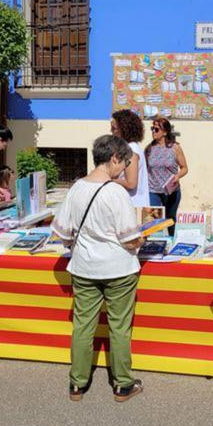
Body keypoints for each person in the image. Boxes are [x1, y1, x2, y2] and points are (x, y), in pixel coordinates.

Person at [51, 135, 146, 403]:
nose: (124, 168)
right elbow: (129, 239)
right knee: (119, 327)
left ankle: (77, 383)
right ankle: (122, 384)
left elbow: (62, 232)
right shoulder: (116, 192)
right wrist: (142, 239)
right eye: (125, 163)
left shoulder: (76, 188)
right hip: (118, 269)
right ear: (114, 158)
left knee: (82, 325)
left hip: (83, 267)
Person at [145, 116, 188, 235]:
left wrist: (177, 176)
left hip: (171, 190)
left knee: (170, 219)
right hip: (153, 190)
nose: (153, 131)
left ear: (165, 132)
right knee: (153, 219)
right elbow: (145, 170)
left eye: (156, 129)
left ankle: (171, 241)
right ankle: (154, 246)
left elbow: (184, 168)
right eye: (152, 129)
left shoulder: (175, 148)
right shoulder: (149, 149)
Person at [110, 110, 149, 207]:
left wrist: (108, 180)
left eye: (114, 128)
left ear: (124, 129)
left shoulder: (131, 150)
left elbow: (131, 183)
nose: (111, 131)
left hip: (132, 205)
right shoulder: (128, 148)